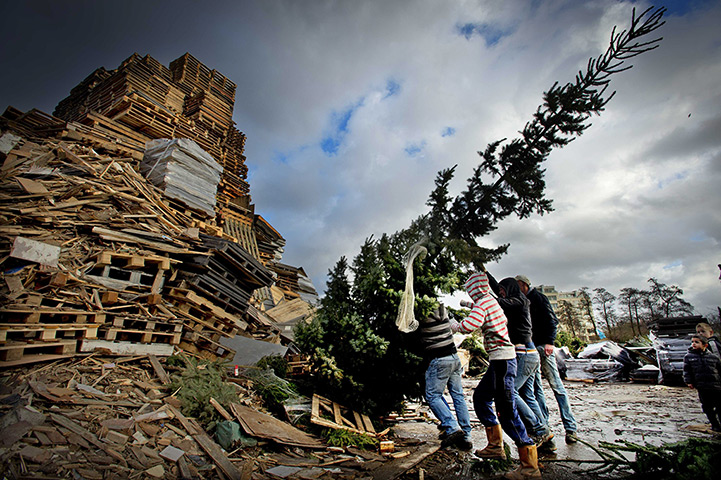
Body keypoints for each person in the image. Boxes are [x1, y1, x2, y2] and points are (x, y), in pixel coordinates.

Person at [451, 271, 541, 480]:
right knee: (481, 397)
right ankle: (495, 446)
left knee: (507, 411)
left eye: (470, 291)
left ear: (475, 289)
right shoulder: (490, 301)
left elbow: (468, 326)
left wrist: (453, 325)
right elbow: (482, 309)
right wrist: (467, 304)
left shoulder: (485, 303)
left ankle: (530, 467)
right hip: (499, 361)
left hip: (504, 362)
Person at [487, 272, 553, 449]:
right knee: (528, 395)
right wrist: (484, 272)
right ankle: (546, 434)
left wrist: (482, 297)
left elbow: (497, 301)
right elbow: (497, 293)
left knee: (511, 392)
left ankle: (539, 430)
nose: (500, 293)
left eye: (502, 290)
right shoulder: (514, 300)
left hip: (525, 355)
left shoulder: (520, 301)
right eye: (499, 290)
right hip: (530, 355)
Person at [516, 274, 579, 444]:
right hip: (531, 350)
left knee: (556, 386)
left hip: (544, 348)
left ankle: (570, 427)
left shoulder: (539, 298)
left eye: (517, 286)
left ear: (523, 285)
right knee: (536, 389)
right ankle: (544, 426)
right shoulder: (522, 301)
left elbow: (552, 321)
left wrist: (550, 342)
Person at [417, 304, 473, 450]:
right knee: (458, 396)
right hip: (454, 356)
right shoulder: (441, 308)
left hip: (439, 358)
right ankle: (466, 435)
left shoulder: (420, 310)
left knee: (433, 396)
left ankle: (452, 427)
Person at [682, 334, 721, 432]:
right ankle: (715, 424)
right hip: (702, 386)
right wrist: (689, 381)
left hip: (715, 386)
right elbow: (687, 371)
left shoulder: (713, 357)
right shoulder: (689, 357)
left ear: (705, 345)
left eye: (696, 342)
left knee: (719, 405)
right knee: (707, 407)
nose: (693, 344)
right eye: (692, 342)